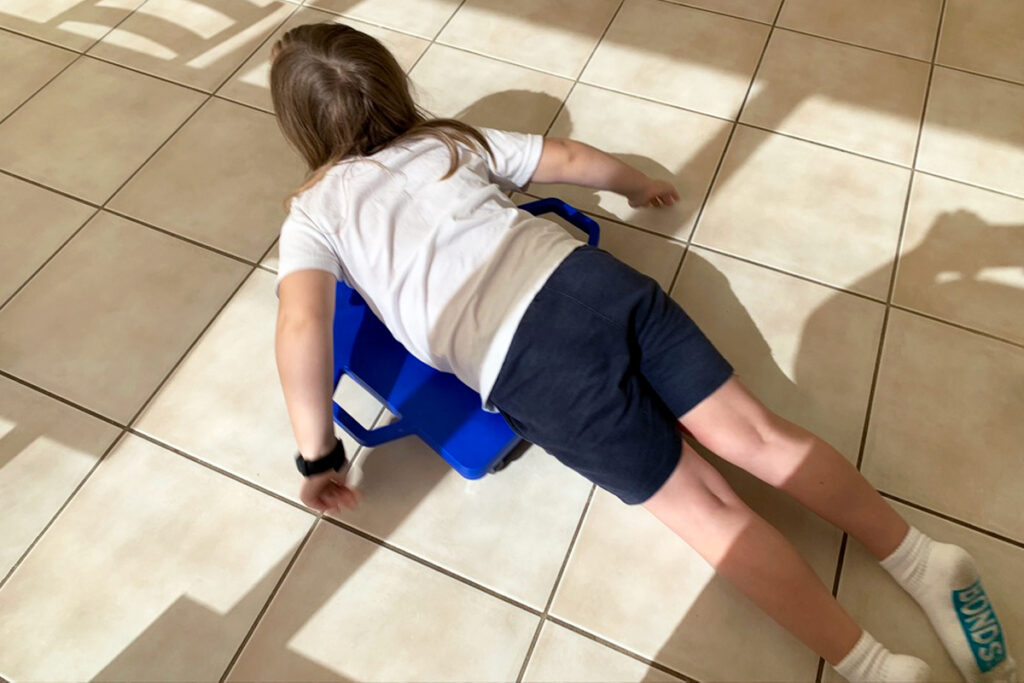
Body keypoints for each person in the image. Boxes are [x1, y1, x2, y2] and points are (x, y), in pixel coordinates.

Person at [270, 22, 1015, 683]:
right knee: (757, 436)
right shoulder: (449, 141)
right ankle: (919, 556)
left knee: (710, 508)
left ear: (299, 128)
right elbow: (566, 158)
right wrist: (637, 184)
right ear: (394, 86)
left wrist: (318, 453)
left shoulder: (313, 212)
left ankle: (876, 667)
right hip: (591, 283)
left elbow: (303, 325)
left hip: (528, 367)